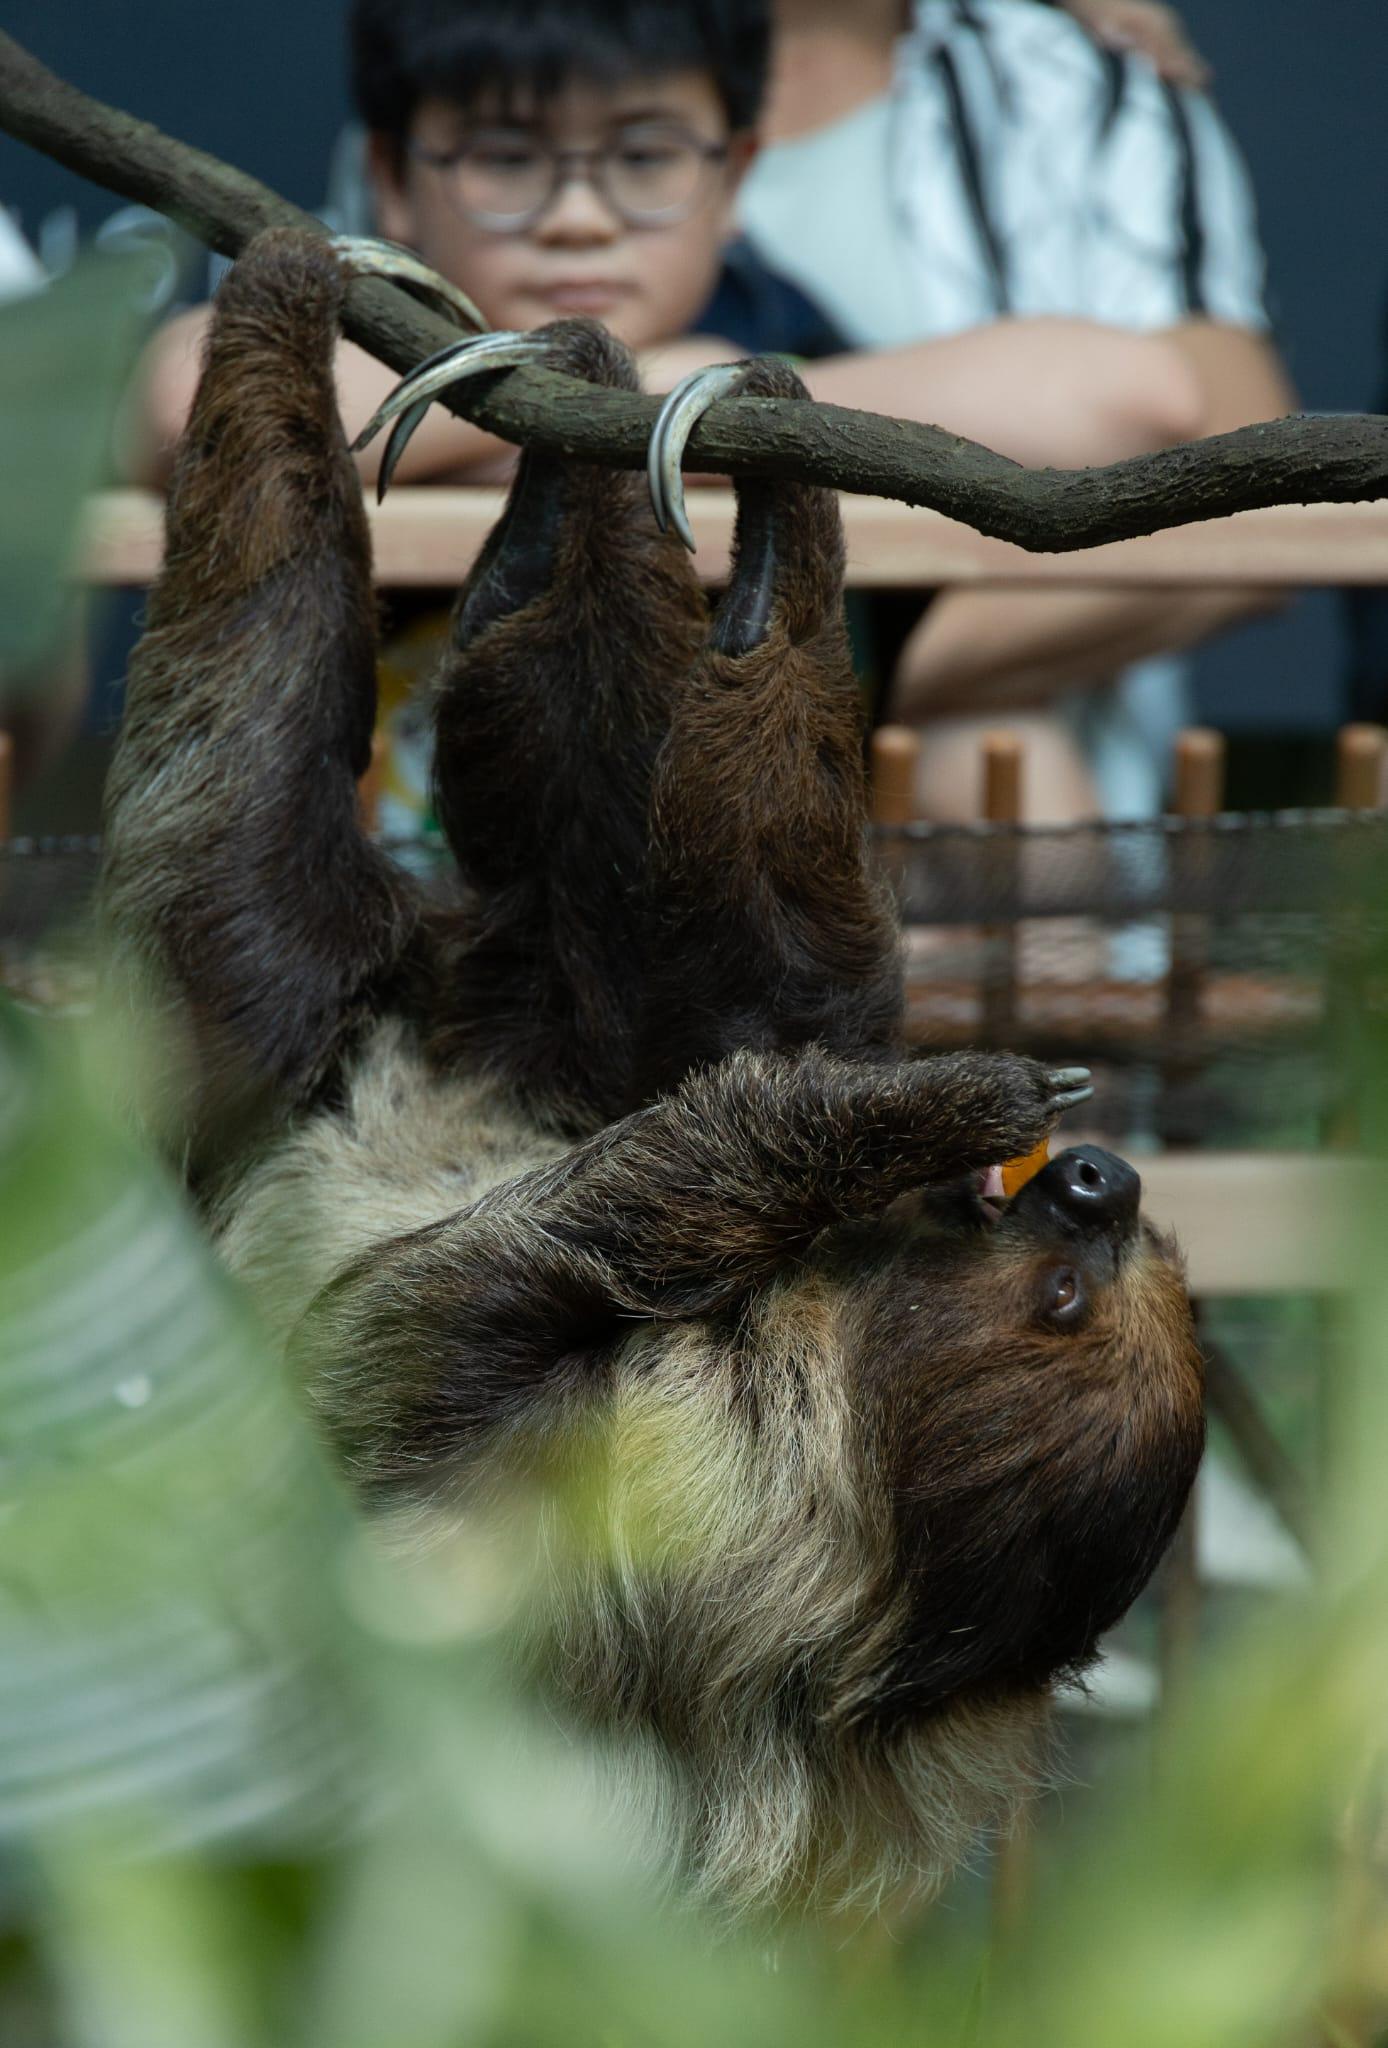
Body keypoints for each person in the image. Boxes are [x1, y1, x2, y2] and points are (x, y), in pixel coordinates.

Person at [738, 0, 1297, 821]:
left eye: (645, 156)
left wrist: (799, 685)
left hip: (988, 771)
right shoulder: (549, 63)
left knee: (1005, 762)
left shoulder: (1076, 81)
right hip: (609, 770)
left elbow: (1253, 486)